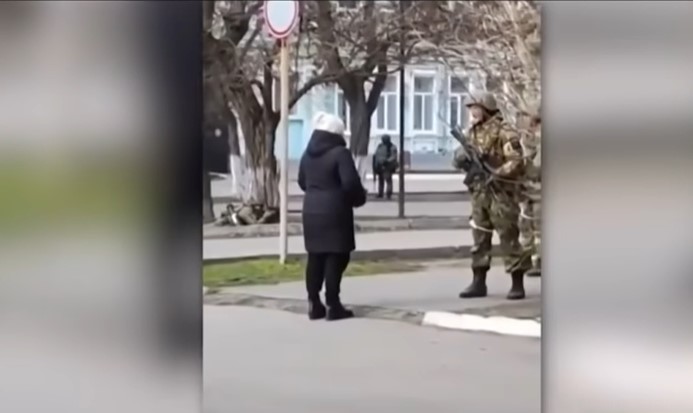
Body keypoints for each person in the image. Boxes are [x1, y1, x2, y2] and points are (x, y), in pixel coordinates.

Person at [453, 92, 531, 300]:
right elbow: (457, 160)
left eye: (475, 108)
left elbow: (516, 161)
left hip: (501, 194)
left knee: (508, 237)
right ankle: (478, 282)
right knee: (479, 238)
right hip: (480, 193)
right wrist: (462, 158)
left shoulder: (504, 131)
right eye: (470, 108)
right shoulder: (472, 132)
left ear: (486, 108)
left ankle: (517, 283)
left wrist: (496, 172)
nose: (472, 112)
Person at [298, 112, 368, 321]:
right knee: (336, 256)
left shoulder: (307, 154)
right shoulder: (340, 153)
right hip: (335, 211)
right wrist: (359, 198)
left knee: (315, 256)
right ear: (337, 133)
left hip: (311, 211)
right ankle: (333, 304)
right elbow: (350, 183)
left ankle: (313, 303)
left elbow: (302, 181)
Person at [519, 110, 542, 277]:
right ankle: (528, 259)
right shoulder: (525, 142)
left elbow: (535, 169)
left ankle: (539, 261)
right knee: (525, 227)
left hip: (539, 193)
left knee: (539, 229)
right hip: (527, 192)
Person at [372, 135, 398, 199]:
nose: (383, 140)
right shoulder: (380, 146)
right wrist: (375, 164)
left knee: (388, 180)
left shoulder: (392, 147)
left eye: (385, 139)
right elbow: (376, 155)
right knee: (381, 180)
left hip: (387, 166)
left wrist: (386, 161)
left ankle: (388, 193)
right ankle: (380, 193)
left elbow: (393, 156)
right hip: (379, 165)